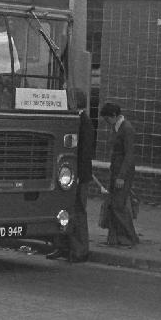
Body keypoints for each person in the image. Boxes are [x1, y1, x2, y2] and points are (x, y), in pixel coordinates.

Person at [47, 90, 94, 262]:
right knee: (62, 209)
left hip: (78, 176)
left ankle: (80, 250)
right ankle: (62, 247)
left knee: (78, 211)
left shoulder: (84, 122)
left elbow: (85, 152)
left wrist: (79, 175)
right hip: (67, 174)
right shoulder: (71, 120)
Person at [99, 101, 140, 247]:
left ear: (114, 115)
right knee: (114, 204)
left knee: (118, 205)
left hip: (123, 173)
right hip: (116, 171)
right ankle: (115, 238)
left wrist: (121, 176)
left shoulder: (126, 129)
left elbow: (129, 154)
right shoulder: (118, 127)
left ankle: (129, 238)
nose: (106, 122)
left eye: (107, 119)